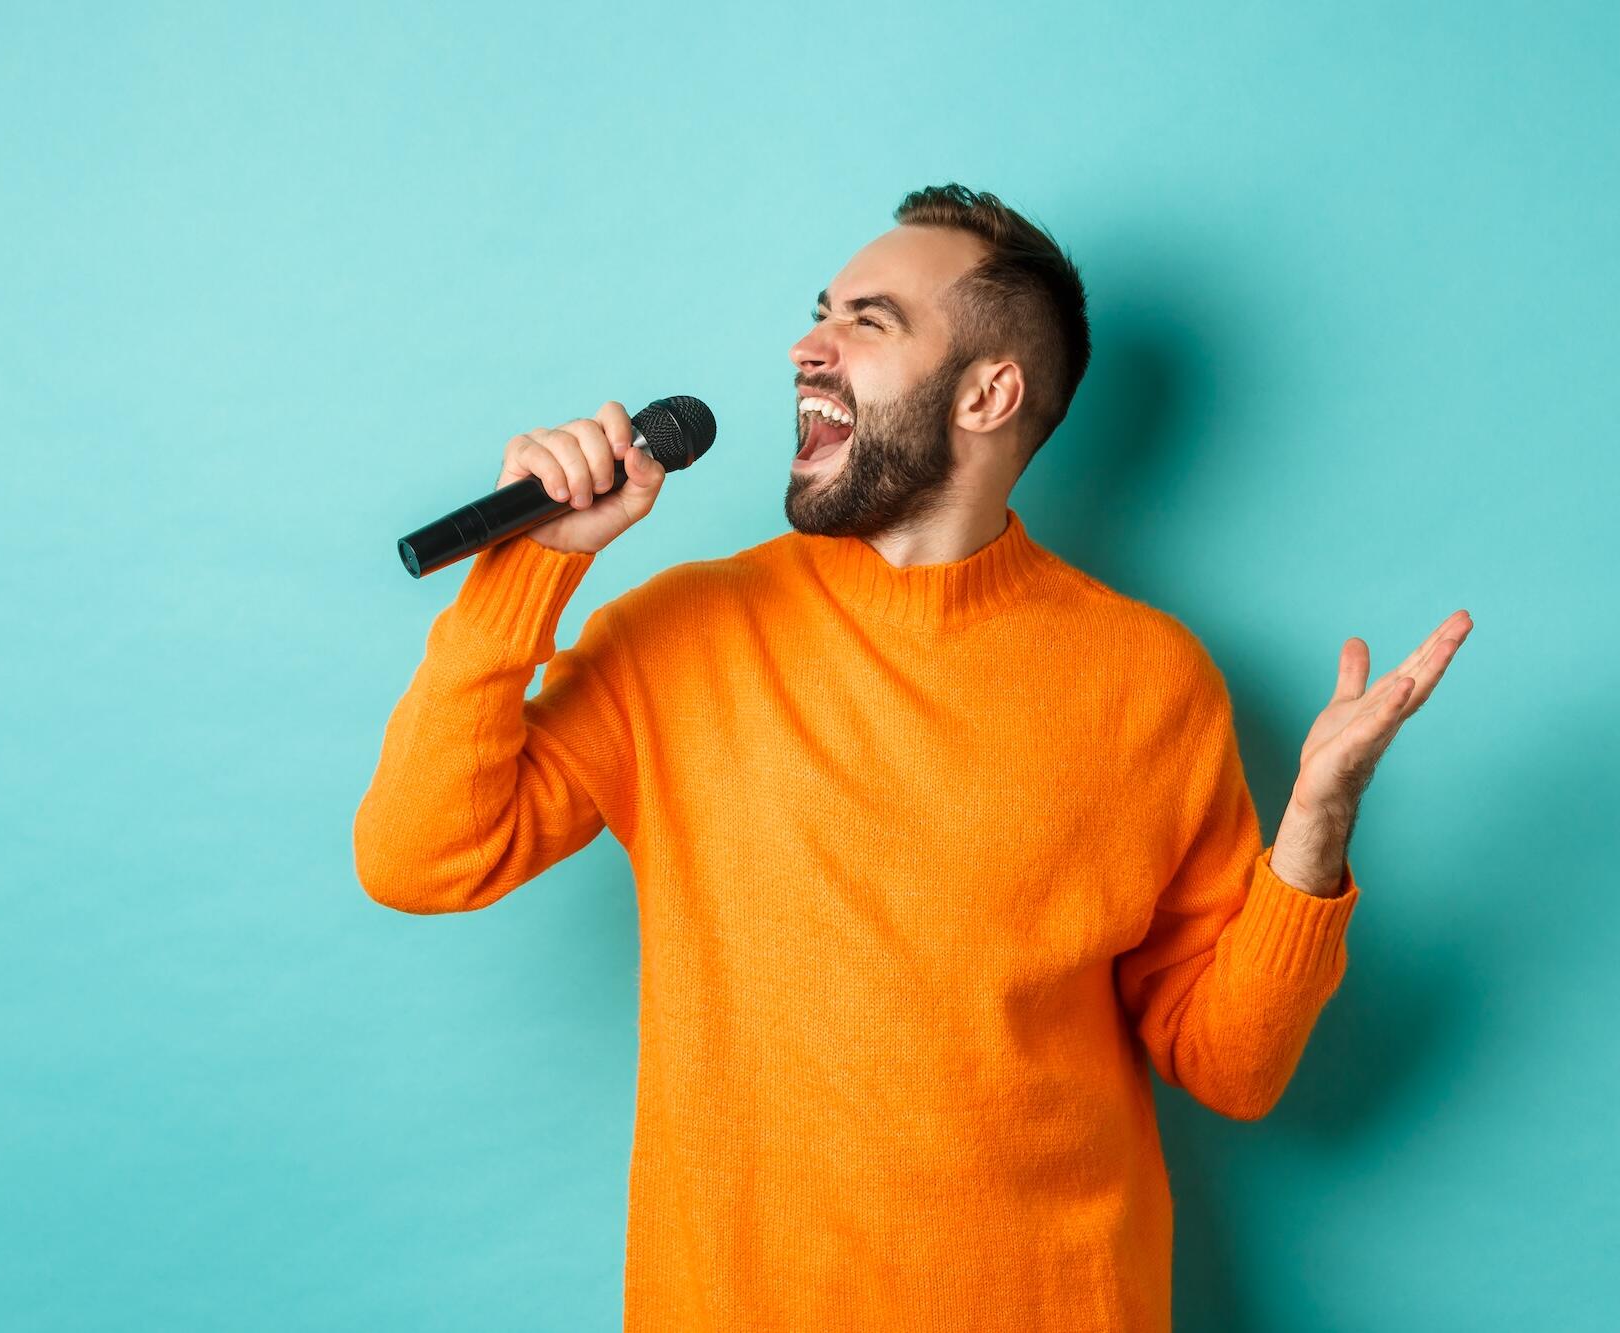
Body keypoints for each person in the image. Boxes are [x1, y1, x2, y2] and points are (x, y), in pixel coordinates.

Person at [354, 183, 1471, 1331]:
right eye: (820, 310)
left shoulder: (1151, 679)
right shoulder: (681, 637)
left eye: (866, 321)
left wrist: (1314, 831)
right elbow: (422, 857)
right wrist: (526, 570)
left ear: (989, 392)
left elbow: (1231, 1067)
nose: (805, 346)